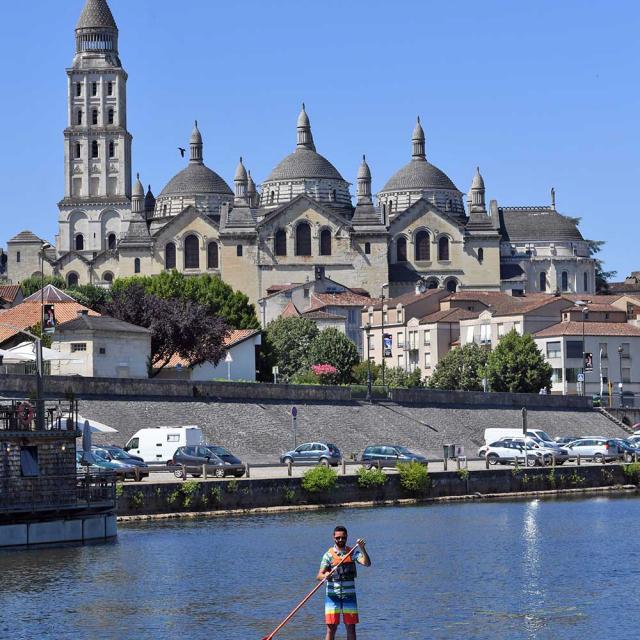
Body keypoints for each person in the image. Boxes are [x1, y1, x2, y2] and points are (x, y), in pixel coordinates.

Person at [317, 525, 371, 640]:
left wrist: (362, 548)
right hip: (332, 597)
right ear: (333, 537)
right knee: (331, 628)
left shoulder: (352, 552)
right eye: (338, 538)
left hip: (349, 596)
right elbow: (319, 575)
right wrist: (326, 575)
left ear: (346, 537)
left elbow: (367, 563)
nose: (340, 540)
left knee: (351, 627)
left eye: (343, 538)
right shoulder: (328, 555)